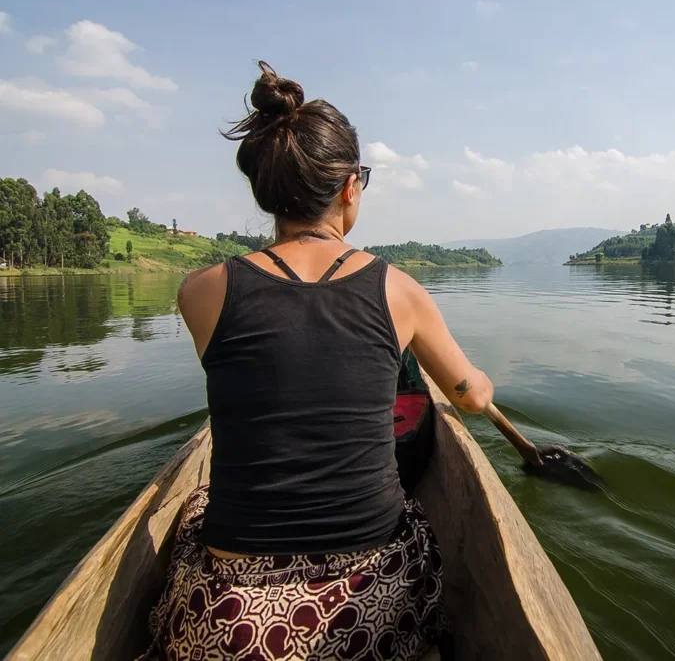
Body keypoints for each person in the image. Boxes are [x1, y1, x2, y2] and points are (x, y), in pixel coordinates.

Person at [139, 61, 494, 661]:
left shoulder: (199, 291)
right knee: (416, 529)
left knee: (196, 511)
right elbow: (470, 398)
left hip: (230, 620)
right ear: (351, 186)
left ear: (266, 189)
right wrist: (478, 380)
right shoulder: (400, 291)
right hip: (367, 601)